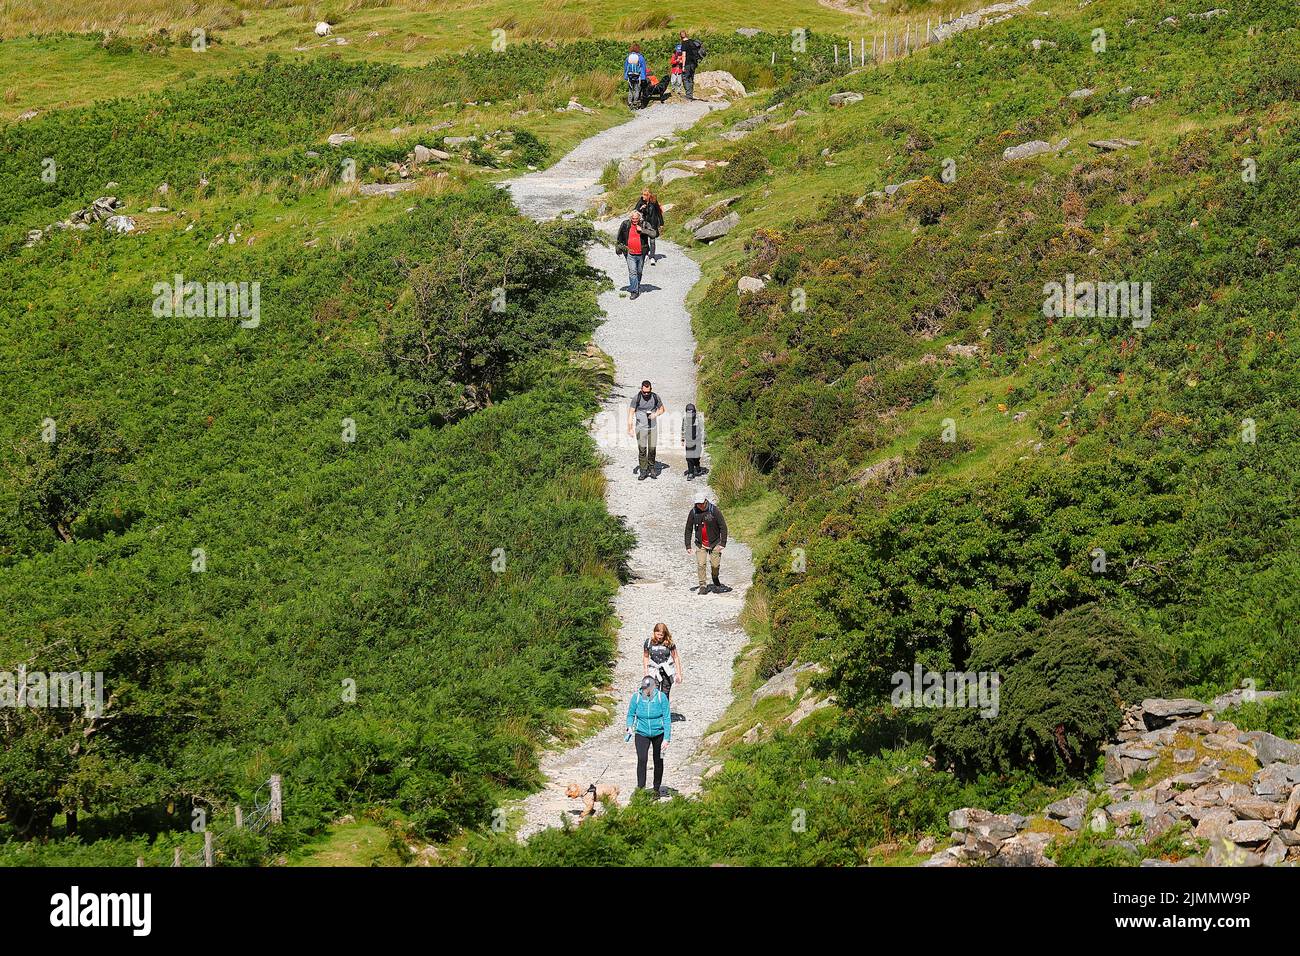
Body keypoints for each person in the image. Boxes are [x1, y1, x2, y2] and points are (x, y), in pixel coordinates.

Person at [626, 675, 671, 794]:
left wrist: (667, 738)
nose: (645, 690)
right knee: (642, 759)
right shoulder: (636, 697)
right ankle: (640, 789)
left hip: (659, 733)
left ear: (653, 687)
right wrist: (629, 726)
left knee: (658, 760)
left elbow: (667, 718)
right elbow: (630, 714)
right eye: (644, 688)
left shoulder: (661, 698)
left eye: (648, 688)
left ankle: (656, 788)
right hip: (642, 733)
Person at [684, 490, 727, 595]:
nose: (700, 506)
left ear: (705, 501)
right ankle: (702, 585)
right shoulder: (693, 512)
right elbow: (688, 529)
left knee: (715, 565)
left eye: (701, 503)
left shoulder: (714, 510)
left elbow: (723, 526)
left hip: (715, 543)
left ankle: (715, 577)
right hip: (700, 543)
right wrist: (688, 545)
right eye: (698, 504)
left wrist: (723, 543)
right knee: (701, 564)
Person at [626, 379, 665, 479]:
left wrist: (655, 414)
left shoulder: (655, 397)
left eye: (648, 392)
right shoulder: (636, 398)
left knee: (652, 449)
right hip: (640, 428)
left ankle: (651, 467)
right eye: (644, 392)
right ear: (641, 389)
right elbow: (631, 413)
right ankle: (643, 471)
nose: (646, 394)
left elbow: (662, 409)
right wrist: (630, 428)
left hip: (653, 427)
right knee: (642, 449)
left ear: (651, 389)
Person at [615, 209, 654, 298]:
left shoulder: (644, 224)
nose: (634, 220)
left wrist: (642, 230)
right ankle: (634, 291)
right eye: (633, 218)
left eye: (636, 218)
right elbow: (619, 237)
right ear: (630, 218)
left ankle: (636, 284)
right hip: (629, 253)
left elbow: (653, 234)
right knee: (632, 272)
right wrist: (618, 249)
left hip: (641, 253)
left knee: (639, 271)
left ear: (639, 218)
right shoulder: (625, 224)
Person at [643, 623, 684, 699]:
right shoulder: (649, 643)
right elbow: (645, 657)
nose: (659, 637)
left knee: (665, 694)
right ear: (654, 632)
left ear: (665, 634)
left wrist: (679, 673)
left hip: (667, 671)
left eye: (661, 635)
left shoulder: (669, 643)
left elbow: (675, 657)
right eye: (657, 634)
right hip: (653, 671)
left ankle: (664, 710)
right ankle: (653, 710)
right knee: (652, 693)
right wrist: (646, 672)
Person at [634, 188, 664, 264]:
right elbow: (635, 210)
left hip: (653, 223)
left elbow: (659, 212)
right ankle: (646, 254)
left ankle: (652, 257)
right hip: (644, 223)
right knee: (644, 240)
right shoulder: (641, 201)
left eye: (645, 195)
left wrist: (661, 223)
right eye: (642, 194)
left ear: (648, 195)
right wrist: (641, 208)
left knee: (652, 240)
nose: (643, 196)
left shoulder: (654, 201)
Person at [678, 30, 704, 100]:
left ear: (680, 37)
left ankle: (688, 95)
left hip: (687, 63)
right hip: (694, 63)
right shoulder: (692, 42)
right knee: (691, 78)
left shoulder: (684, 43)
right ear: (687, 35)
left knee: (685, 78)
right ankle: (691, 94)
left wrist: (683, 66)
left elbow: (684, 55)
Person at [682, 403, 705, 478]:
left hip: (698, 439)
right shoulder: (685, 417)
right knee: (689, 457)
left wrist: (703, 441)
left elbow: (702, 430)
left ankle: (697, 467)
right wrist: (682, 439)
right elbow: (683, 428)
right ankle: (691, 472)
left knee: (696, 456)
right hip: (689, 439)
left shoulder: (699, 417)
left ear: (694, 412)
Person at [623, 43, 648, 110]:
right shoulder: (640, 57)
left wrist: (625, 76)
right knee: (637, 90)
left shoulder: (628, 57)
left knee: (630, 90)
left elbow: (626, 67)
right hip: (638, 76)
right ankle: (635, 103)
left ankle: (629, 103)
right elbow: (643, 68)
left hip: (630, 76)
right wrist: (643, 77)